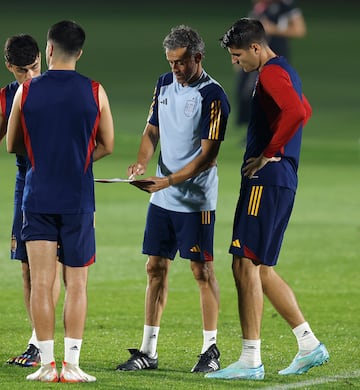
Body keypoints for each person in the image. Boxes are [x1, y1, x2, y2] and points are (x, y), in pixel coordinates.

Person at [206, 18, 329, 380]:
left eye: (237, 55)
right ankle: (308, 345)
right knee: (261, 268)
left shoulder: (271, 74)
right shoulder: (284, 69)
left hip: (266, 180)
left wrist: (269, 152)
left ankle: (250, 360)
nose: (235, 62)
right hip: (280, 180)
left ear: (256, 48)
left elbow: (297, 112)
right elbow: (303, 107)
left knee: (243, 264)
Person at [115, 25, 230, 373]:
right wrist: (142, 161)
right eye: (171, 62)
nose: (175, 69)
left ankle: (210, 350)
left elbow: (207, 157)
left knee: (201, 270)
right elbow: (152, 129)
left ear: (197, 57)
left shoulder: (214, 96)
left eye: (181, 62)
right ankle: (148, 351)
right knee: (155, 267)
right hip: (162, 197)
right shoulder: (164, 84)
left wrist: (168, 180)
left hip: (195, 200)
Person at [7, 20, 114, 382]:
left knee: (40, 283)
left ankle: (46, 365)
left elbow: (11, 143)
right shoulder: (95, 91)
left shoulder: (26, 91)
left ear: (48, 50)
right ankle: (72, 365)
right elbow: (108, 144)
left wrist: (42, 159)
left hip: (37, 196)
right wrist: (78, 161)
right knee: (77, 284)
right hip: (79, 199)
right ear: (79, 52)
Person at [0, 34, 62, 368]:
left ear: (43, 58)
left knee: (54, 268)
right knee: (28, 268)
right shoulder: (9, 96)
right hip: (26, 182)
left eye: (34, 67)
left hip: (60, 183)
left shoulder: (61, 89)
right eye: (22, 70)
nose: (29, 76)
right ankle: (38, 341)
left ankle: (42, 343)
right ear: (9, 66)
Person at [236, 0, 307, 126]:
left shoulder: (285, 6)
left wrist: (272, 29)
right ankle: (256, 131)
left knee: (268, 95)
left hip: (274, 58)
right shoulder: (259, 8)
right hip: (255, 58)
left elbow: (299, 30)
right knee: (249, 94)